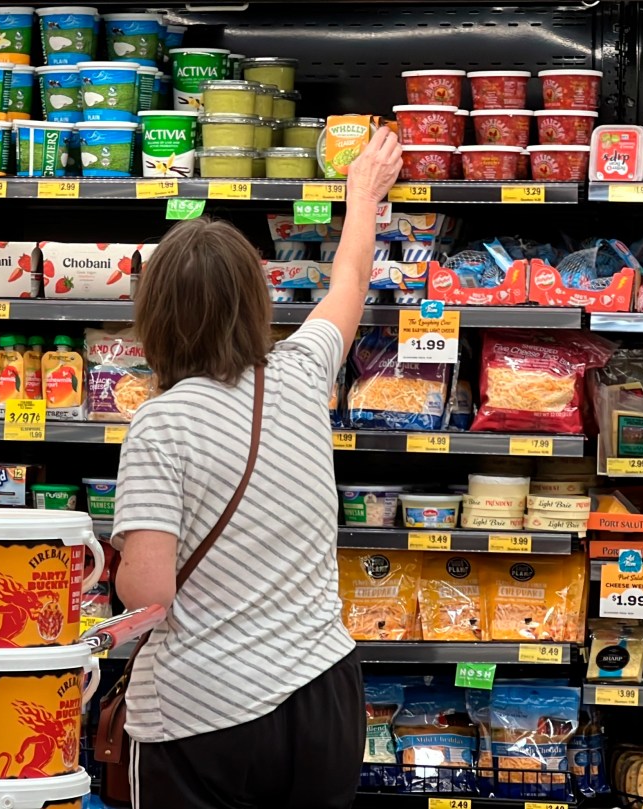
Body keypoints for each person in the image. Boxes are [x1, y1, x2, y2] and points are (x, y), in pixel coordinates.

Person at [109, 128, 403, 809]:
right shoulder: (299, 372)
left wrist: (108, 560)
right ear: (255, 302)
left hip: (208, 711)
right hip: (323, 696)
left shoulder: (163, 422)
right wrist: (362, 193)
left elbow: (147, 592)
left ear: (152, 315)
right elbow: (351, 278)